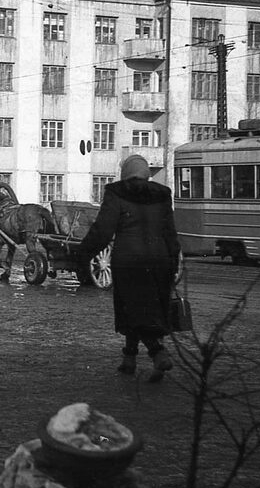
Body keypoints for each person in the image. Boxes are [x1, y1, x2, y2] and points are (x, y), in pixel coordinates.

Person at [76, 155, 181, 383]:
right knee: (151, 310)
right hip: (160, 261)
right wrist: (174, 259)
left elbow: (103, 230)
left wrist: (83, 251)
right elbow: (169, 231)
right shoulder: (162, 194)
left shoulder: (117, 193)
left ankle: (157, 353)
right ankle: (129, 360)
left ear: (125, 174)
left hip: (129, 262)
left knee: (133, 312)